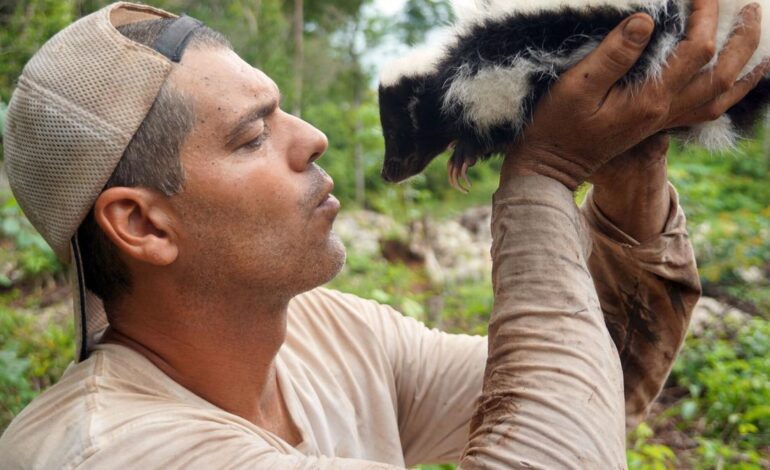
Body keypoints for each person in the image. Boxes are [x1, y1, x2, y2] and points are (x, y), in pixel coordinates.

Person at [0, 1, 765, 468]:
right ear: (141, 224)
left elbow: (600, 380)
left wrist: (636, 150)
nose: (314, 139)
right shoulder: (114, 451)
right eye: (250, 137)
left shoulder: (328, 333)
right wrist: (546, 173)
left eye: (283, 110)